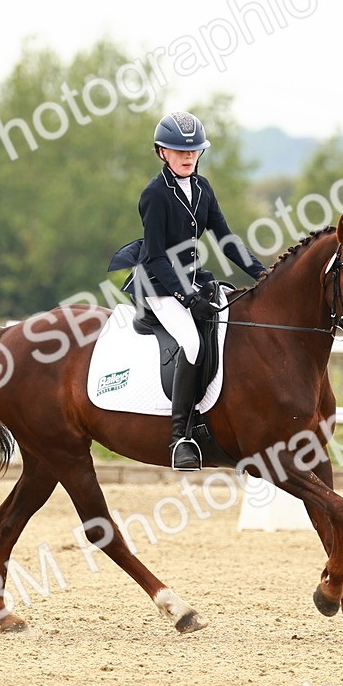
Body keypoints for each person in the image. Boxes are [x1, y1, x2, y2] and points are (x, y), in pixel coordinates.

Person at [120, 111, 268, 470]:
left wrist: (263, 273)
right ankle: (180, 437)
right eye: (177, 150)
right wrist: (186, 299)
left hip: (194, 279)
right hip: (158, 283)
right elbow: (155, 258)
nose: (187, 156)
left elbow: (225, 238)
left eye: (193, 151)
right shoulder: (155, 194)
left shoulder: (203, 188)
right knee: (192, 342)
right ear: (162, 152)